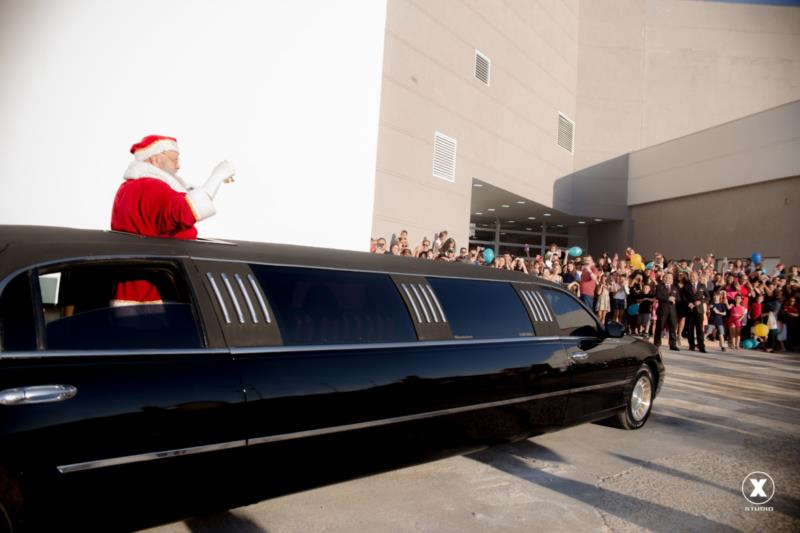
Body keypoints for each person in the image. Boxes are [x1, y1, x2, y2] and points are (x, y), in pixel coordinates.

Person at [110, 135, 235, 304]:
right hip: (152, 296)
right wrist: (216, 178)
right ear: (155, 159)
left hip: (133, 288)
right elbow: (186, 211)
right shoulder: (151, 187)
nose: (178, 165)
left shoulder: (129, 188)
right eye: (174, 159)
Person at [681, 271, 708, 352]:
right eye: (691, 276)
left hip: (699, 310)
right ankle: (691, 345)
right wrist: (688, 303)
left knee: (699, 329)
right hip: (690, 310)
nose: (692, 277)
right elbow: (683, 297)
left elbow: (708, 297)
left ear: (697, 277)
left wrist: (701, 301)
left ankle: (701, 346)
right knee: (690, 329)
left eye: (694, 276)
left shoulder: (702, 286)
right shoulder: (686, 286)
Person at [654, 272, 680, 350]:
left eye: (670, 278)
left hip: (672, 311)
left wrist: (675, 298)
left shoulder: (675, 287)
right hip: (663, 310)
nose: (668, 279)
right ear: (663, 278)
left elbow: (679, 298)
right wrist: (668, 298)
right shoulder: (659, 286)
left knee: (673, 328)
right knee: (659, 327)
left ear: (672, 279)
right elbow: (658, 296)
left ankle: (672, 344)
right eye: (666, 277)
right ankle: (657, 343)